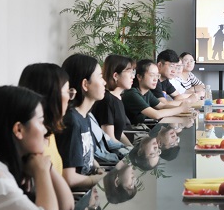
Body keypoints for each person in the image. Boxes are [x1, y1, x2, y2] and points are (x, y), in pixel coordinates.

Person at [58, 54, 107, 191]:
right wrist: (97, 179)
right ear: (85, 84)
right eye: (100, 77)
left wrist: (97, 168)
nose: (104, 82)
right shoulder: (72, 121)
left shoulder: (85, 116)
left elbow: (86, 154)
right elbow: (69, 178)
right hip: (78, 196)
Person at [18, 63, 76, 176]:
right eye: (67, 92)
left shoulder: (49, 132)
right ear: (52, 96)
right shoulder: (33, 144)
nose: (70, 98)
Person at [122, 59, 192, 124]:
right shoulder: (132, 94)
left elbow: (162, 106)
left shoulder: (147, 92)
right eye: (152, 75)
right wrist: (181, 109)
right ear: (139, 77)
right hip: (135, 131)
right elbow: (156, 114)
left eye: (157, 75)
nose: (156, 79)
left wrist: (186, 110)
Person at [92, 54, 136, 147]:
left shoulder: (117, 97)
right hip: (112, 152)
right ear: (116, 75)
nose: (133, 76)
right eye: (129, 72)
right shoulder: (107, 100)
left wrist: (131, 148)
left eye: (133, 72)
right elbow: (110, 139)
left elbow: (119, 132)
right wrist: (128, 151)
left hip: (120, 148)